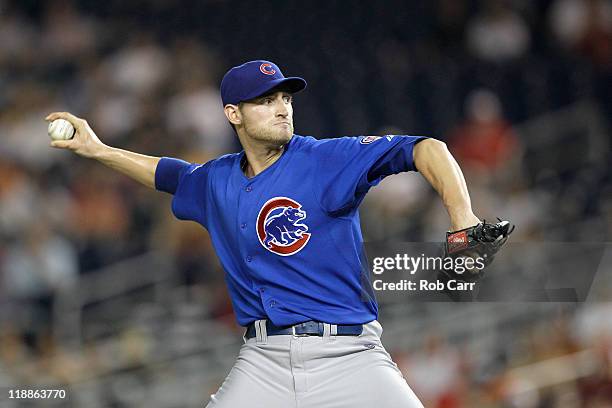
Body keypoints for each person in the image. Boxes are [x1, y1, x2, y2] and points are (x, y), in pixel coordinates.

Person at [46, 60, 482, 407]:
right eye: (265, 100)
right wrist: (97, 150)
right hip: (263, 361)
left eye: (284, 97)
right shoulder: (216, 181)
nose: (281, 107)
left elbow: (427, 149)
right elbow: (168, 174)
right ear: (233, 114)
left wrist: (463, 218)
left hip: (350, 356)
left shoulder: (325, 160)